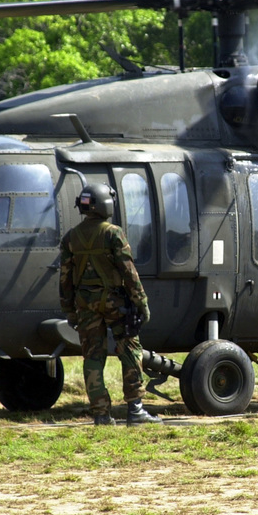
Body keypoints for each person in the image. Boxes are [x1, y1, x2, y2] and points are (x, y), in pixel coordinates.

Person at [59, 182, 161, 426]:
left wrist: (69, 311)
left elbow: (65, 278)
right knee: (130, 351)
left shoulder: (71, 237)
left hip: (85, 305)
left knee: (92, 357)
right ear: (105, 203)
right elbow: (129, 272)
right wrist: (141, 303)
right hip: (116, 303)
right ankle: (135, 410)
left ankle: (101, 415)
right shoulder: (113, 233)